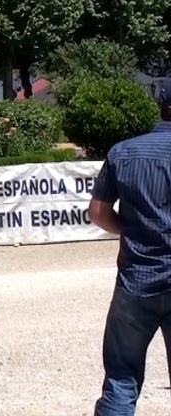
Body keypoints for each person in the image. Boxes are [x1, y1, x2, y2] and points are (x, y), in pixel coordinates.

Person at [89, 78, 171, 415]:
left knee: (121, 382)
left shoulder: (122, 152)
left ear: (161, 104)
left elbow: (97, 212)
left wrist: (131, 229)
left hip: (136, 282)